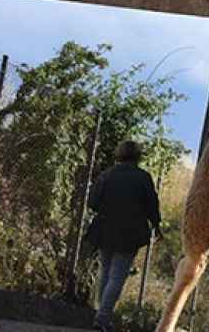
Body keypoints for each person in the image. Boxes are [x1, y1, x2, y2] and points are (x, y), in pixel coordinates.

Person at [87, 139, 162, 331]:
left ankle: (101, 315)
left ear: (119, 154)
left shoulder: (106, 175)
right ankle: (102, 318)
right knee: (117, 275)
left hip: (105, 229)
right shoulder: (143, 177)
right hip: (129, 233)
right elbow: (152, 205)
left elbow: (93, 202)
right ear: (137, 156)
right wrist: (156, 226)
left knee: (105, 272)